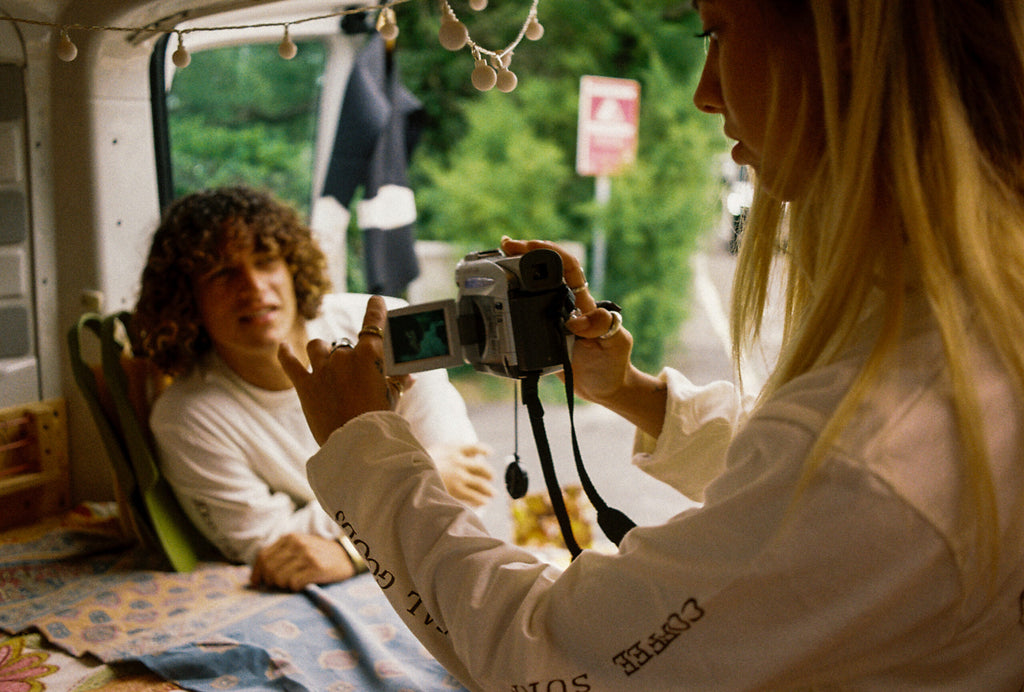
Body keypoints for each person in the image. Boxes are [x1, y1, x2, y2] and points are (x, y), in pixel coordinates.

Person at [279, 0, 1024, 687]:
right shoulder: (969, 326)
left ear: (847, 44)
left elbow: (545, 653)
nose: (705, 90)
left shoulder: (879, 440)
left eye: (718, 32)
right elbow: (804, 499)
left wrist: (362, 447)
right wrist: (628, 392)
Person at [132, 186, 494, 592]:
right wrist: (418, 475)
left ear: (291, 266)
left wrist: (347, 550)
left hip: (443, 571)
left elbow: (462, 490)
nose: (252, 286)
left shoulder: (388, 324)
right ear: (186, 298)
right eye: (221, 273)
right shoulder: (185, 417)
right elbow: (273, 548)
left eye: (266, 260)